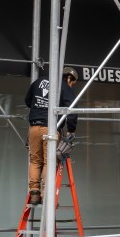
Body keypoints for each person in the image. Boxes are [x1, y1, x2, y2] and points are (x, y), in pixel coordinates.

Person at [25, 67, 79, 206]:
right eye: (72, 83)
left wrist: (40, 107)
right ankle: (46, 195)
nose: (71, 85)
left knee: (35, 160)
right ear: (69, 78)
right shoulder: (63, 85)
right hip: (50, 129)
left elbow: (27, 101)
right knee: (49, 162)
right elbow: (72, 109)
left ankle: (35, 192)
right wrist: (71, 129)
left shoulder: (38, 82)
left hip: (34, 127)